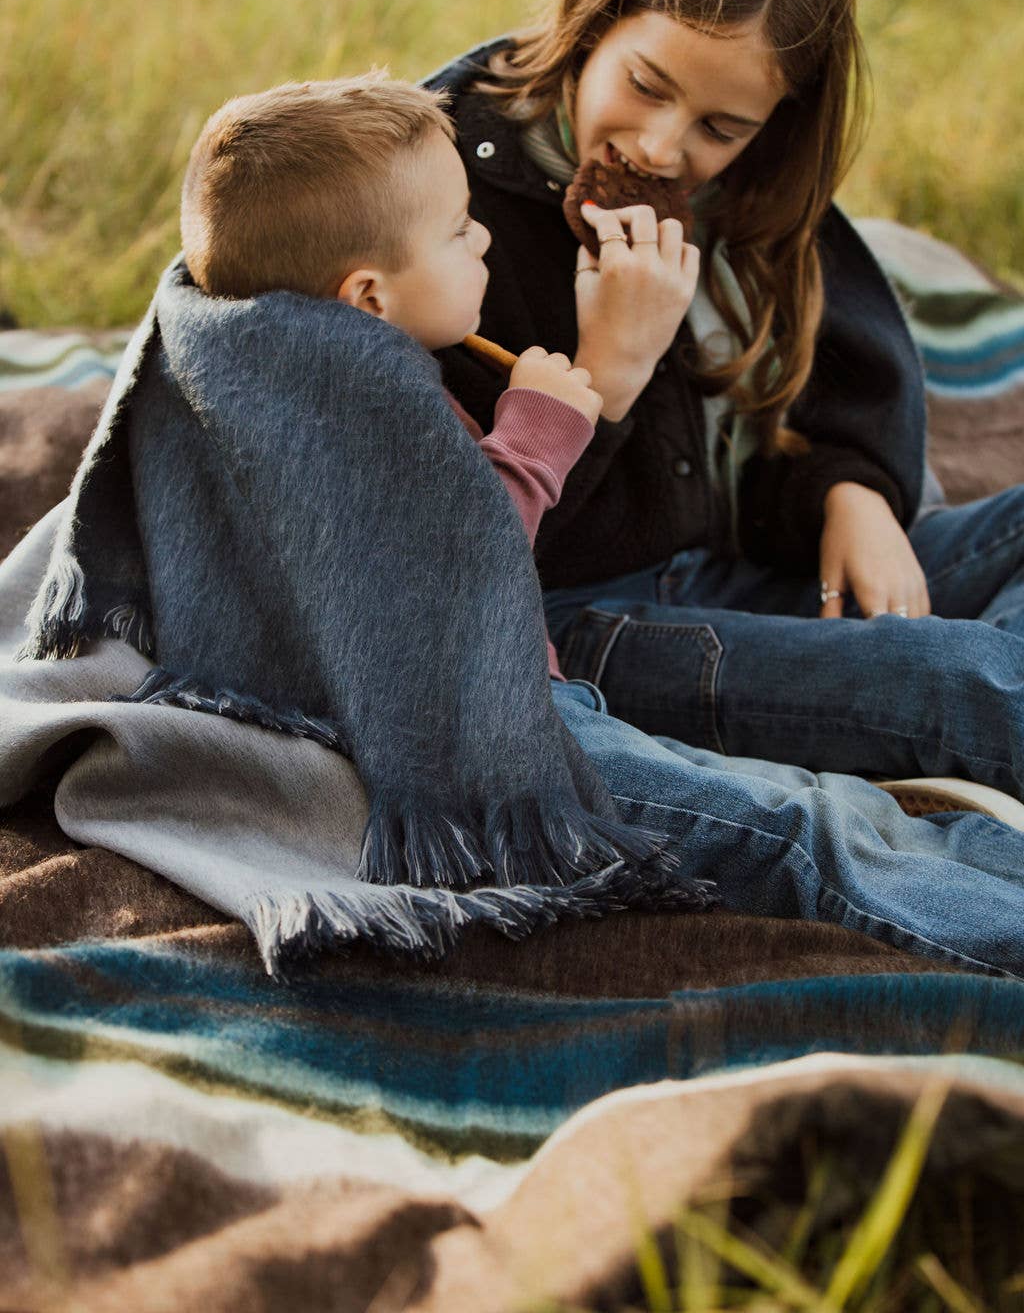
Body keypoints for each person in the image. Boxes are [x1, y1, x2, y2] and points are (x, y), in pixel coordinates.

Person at [155, 68, 1024, 978]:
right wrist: (542, 432)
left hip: (542, 689)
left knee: (804, 811)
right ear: (369, 295)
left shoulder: (355, 366)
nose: (483, 234)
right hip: (503, 741)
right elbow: (449, 591)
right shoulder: (328, 412)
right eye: (459, 232)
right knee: (799, 832)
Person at [429, 0, 1024, 801]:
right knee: (961, 683)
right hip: (576, 622)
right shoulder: (442, 210)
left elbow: (829, 390)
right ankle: (913, 742)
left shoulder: (751, 197)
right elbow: (459, 554)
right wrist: (610, 371)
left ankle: (894, 735)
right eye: (645, 86)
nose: (664, 150)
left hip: (730, 570)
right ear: (594, 23)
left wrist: (851, 491)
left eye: (721, 127)